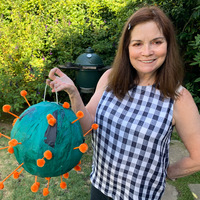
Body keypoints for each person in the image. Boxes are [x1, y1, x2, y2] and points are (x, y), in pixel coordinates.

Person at [46, 6, 200, 200]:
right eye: (137, 44)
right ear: (126, 47)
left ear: (168, 45)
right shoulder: (110, 79)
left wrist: (167, 172)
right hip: (100, 189)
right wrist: (74, 92)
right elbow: (87, 127)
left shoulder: (178, 98)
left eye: (157, 42)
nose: (147, 52)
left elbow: (198, 156)